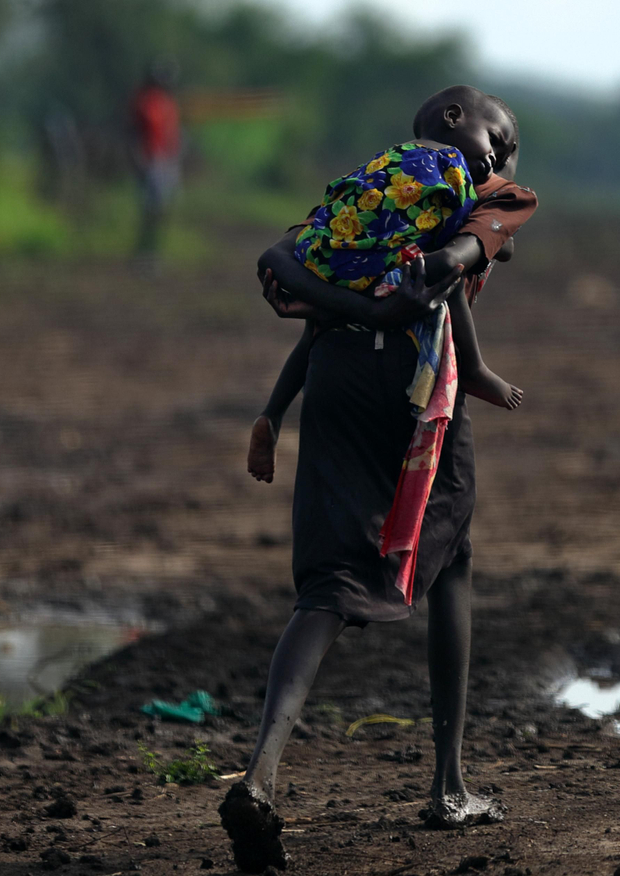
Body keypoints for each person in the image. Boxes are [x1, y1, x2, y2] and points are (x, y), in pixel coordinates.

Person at [220, 85, 537, 873]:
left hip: (333, 373)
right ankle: (449, 784)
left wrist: (275, 409)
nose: (505, 157)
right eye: (503, 136)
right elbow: (451, 270)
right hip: (416, 381)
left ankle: (259, 775)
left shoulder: (365, 197)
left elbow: (292, 274)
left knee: (327, 580)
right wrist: (433, 297)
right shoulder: (489, 193)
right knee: (454, 550)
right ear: (458, 122)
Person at [129, 67, 183, 258]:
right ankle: (145, 252)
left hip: (165, 162)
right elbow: (138, 134)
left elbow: (172, 136)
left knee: (160, 212)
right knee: (151, 211)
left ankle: (152, 251)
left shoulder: (167, 103)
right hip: (152, 161)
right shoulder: (147, 102)